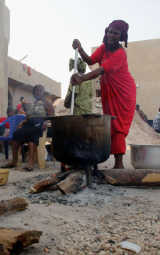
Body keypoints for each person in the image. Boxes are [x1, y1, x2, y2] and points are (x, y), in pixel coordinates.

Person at [71, 20, 136, 169]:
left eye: (115, 33)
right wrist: (80, 49)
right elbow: (91, 60)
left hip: (122, 93)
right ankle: (115, 163)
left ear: (121, 36)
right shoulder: (103, 48)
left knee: (118, 125)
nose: (111, 35)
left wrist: (81, 79)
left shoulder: (120, 54)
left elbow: (100, 70)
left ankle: (119, 165)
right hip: (109, 91)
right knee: (111, 124)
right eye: (110, 31)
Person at [0, 85, 55, 171]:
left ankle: (31, 162)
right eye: (36, 91)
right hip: (29, 124)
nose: (39, 92)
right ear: (33, 93)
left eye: (40, 90)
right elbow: (27, 117)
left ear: (43, 93)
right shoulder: (31, 104)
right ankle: (14, 160)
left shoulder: (47, 103)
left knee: (31, 133)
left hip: (41, 126)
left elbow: (52, 118)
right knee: (16, 134)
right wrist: (22, 122)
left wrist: (46, 121)